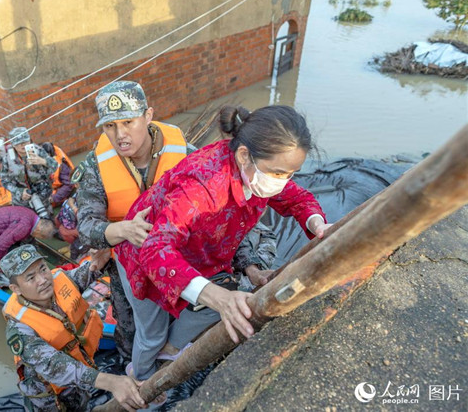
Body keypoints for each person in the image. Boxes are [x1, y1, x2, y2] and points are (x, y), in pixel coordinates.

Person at [116, 105, 332, 381]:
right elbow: (156, 251)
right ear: (244, 155)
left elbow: (296, 198)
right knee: (152, 332)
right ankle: (142, 380)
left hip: (198, 253)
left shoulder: (257, 171)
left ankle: (170, 351)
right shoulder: (201, 185)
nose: (282, 182)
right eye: (278, 173)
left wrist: (318, 224)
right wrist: (220, 299)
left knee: (228, 300)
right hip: (143, 255)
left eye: (290, 173)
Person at [74, 80, 277, 364]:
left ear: (147, 115)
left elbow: (230, 217)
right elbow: (85, 226)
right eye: (110, 126)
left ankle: (171, 364)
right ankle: (138, 384)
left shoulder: (187, 154)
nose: (120, 135)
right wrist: (123, 230)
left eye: (128, 122)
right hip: (128, 263)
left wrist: (251, 266)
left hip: (184, 257)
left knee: (196, 318)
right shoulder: (95, 168)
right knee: (132, 332)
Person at [1, 244, 146, 412]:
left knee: (81, 403)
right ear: (16, 289)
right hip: (49, 391)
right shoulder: (19, 329)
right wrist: (112, 382)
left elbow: (88, 271)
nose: (42, 280)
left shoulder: (61, 280)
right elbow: (56, 366)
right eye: (31, 278)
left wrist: (99, 260)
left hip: (81, 371)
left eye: (42, 269)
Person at [0, 206, 56, 280]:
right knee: (16, 257)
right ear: (38, 230)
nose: (38, 238)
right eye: (40, 236)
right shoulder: (23, 227)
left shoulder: (32, 215)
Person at [0, 127, 58, 219]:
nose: (23, 145)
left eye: (26, 141)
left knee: (47, 221)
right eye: (19, 143)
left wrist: (43, 161)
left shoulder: (38, 151)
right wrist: (19, 191)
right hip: (21, 199)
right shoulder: (7, 158)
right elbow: (4, 180)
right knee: (24, 223)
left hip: (42, 195)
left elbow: (55, 165)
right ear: (13, 144)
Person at [41, 141, 76, 206]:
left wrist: (54, 198)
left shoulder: (61, 166)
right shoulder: (38, 163)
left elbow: (69, 184)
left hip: (59, 195)